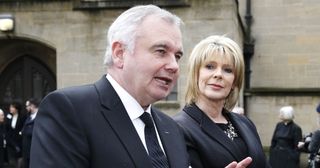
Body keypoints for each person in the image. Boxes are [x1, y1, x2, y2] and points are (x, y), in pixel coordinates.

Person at [173, 35, 269, 168]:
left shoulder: (246, 123)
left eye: (227, 70)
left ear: (235, 81)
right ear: (196, 74)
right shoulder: (178, 128)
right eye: (210, 66)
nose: (218, 74)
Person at [6, 102, 25, 168]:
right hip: (10, 142)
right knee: (11, 162)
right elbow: (7, 129)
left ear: (16, 109)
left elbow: (22, 129)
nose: (10, 109)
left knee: (19, 162)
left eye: (12, 107)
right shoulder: (8, 116)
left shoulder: (22, 117)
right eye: (10, 107)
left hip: (19, 142)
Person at [21, 98, 39, 168]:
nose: (26, 108)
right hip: (26, 149)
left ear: (32, 106)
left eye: (27, 106)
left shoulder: (39, 116)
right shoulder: (29, 116)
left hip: (34, 149)